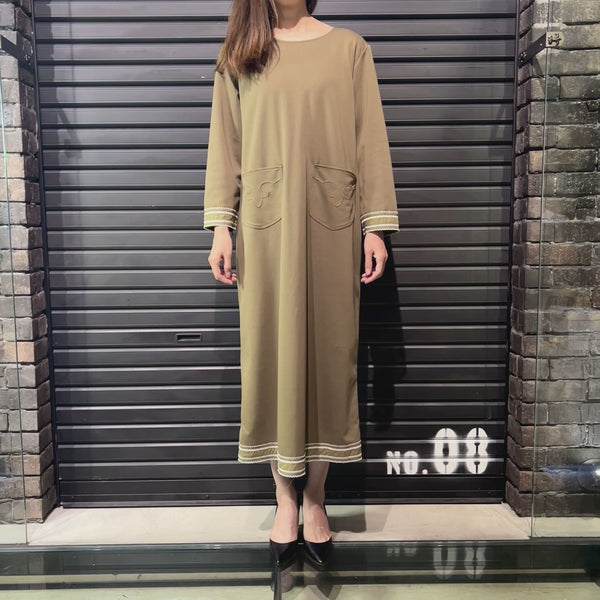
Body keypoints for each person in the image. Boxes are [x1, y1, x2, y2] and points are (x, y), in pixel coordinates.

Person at [203, 0, 399, 568]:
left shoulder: (349, 49)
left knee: (329, 356)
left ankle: (315, 497)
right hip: (264, 231)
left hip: (333, 225)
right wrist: (221, 227)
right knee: (270, 355)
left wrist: (375, 227)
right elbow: (226, 145)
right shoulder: (241, 53)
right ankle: (282, 498)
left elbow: (369, 139)